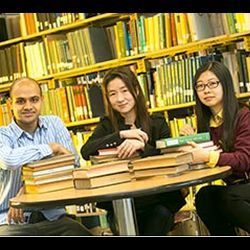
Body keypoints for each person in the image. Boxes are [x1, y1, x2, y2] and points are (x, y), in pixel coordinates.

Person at [80, 66, 186, 236]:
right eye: (113, 94)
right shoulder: (107, 125)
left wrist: (143, 147)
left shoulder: (157, 122)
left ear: (136, 90)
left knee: (158, 218)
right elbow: (85, 151)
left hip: (159, 200)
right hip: (123, 203)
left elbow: (169, 158)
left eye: (124, 90)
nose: (120, 98)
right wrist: (121, 135)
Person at [0, 77, 92, 236]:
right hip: (11, 222)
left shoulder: (54, 124)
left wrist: (28, 190)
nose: (28, 106)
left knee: (80, 232)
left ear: (42, 100)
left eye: (34, 100)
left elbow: (72, 165)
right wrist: (51, 148)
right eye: (20, 101)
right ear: (10, 105)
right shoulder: (3, 134)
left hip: (54, 218)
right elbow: (9, 160)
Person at [179, 61, 250, 235]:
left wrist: (207, 156)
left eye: (212, 84)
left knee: (229, 198)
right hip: (237, 186)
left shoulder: (244, 115)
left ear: (225, 84)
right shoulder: (207, 123)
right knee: (204, 197)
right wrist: (192, 142)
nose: (206, 90)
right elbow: (212, 157)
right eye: (200, 86)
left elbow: (244, 159)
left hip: (245, 184)